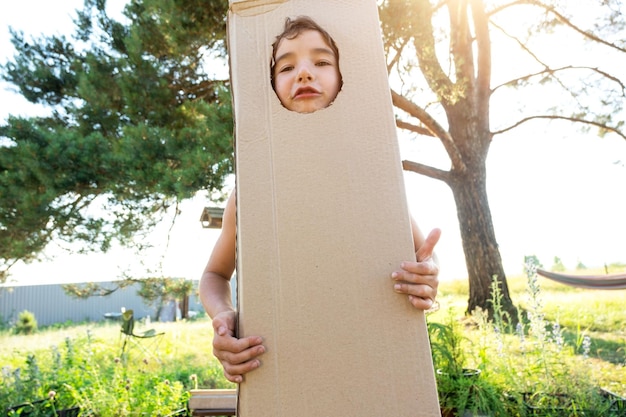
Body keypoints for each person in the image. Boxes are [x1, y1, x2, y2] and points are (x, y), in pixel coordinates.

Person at [199, 16, 441, 384]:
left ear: (345, 79)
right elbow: (214, 275)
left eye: (322, 62)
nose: (304, 73)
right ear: (271, 86)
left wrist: (428, 274)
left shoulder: (375, 176)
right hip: (283, 374)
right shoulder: (252, 191)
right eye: (287, 66)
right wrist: (222, 316)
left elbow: (425, 253)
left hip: (376, 372)